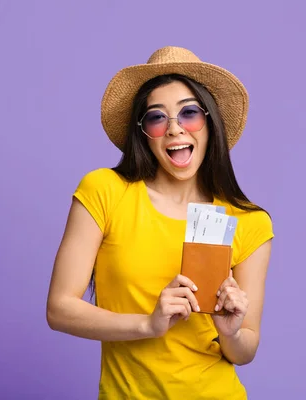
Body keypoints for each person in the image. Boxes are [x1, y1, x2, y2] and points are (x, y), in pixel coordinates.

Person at [46, 46, 274, 399]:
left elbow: (246, 350)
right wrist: (147, 324)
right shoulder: (105, 192)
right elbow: (59, 309)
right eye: (157, 117)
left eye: (189, 114)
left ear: (210, 122)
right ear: (143, 133)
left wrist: (230, 332)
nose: (174, 129)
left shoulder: (248, 221)